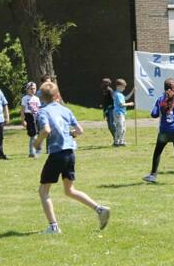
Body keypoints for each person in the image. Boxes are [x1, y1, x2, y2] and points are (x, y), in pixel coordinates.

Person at [34, 82, 111, 234]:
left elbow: (46, 130)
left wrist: (37, 143)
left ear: (41, 97)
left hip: (57, 154)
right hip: (70, 153)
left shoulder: (43, 112)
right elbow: (79, 130)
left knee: (43, 191)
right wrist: (70, 135)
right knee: (69, 190)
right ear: (57, 95)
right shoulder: (65, 110)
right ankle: (100, 209)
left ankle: (53, 226)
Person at [142, 78, 174, 186]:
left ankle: (153, 175)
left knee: (158, 152)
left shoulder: (160, 99)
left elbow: (154, 114)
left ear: (164, 88)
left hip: (164, 130)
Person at [21, 82, 41, 158]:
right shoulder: (25, 98)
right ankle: (31, 152)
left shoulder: (37, 98)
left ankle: (37, 149)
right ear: (27, 89)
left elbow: (39, 109)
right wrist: (23, 120)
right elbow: (22, 110)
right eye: (31, 89)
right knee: (33, 134)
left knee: (37, 134)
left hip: (36, 116)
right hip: (29, 116)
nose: (33, 90)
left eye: (34, 88)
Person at [113, 79, 134, 147]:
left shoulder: (120, 94)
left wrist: (133, 91)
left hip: (119, 113)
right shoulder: (118, 94)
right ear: (118, 86)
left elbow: (126, 98)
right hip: (119, 113)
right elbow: (121, 104)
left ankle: (117, 141)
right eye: (123, 87)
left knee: (119, 127)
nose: (124, 88)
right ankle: (120, 142)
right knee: (121, 127)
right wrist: (129, 104)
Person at [100, 78, 116, 143]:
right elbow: (104, 102)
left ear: (108, 84)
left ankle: (118, 139)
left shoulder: (110, 91)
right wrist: (104, 111)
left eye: (104, 82)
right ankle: (115, 139)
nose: (102, 84)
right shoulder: (104, 91)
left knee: (112, 125)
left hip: (111, 110)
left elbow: (114, 100)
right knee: (109, 126)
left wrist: (111, 107)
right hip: (106, 111)